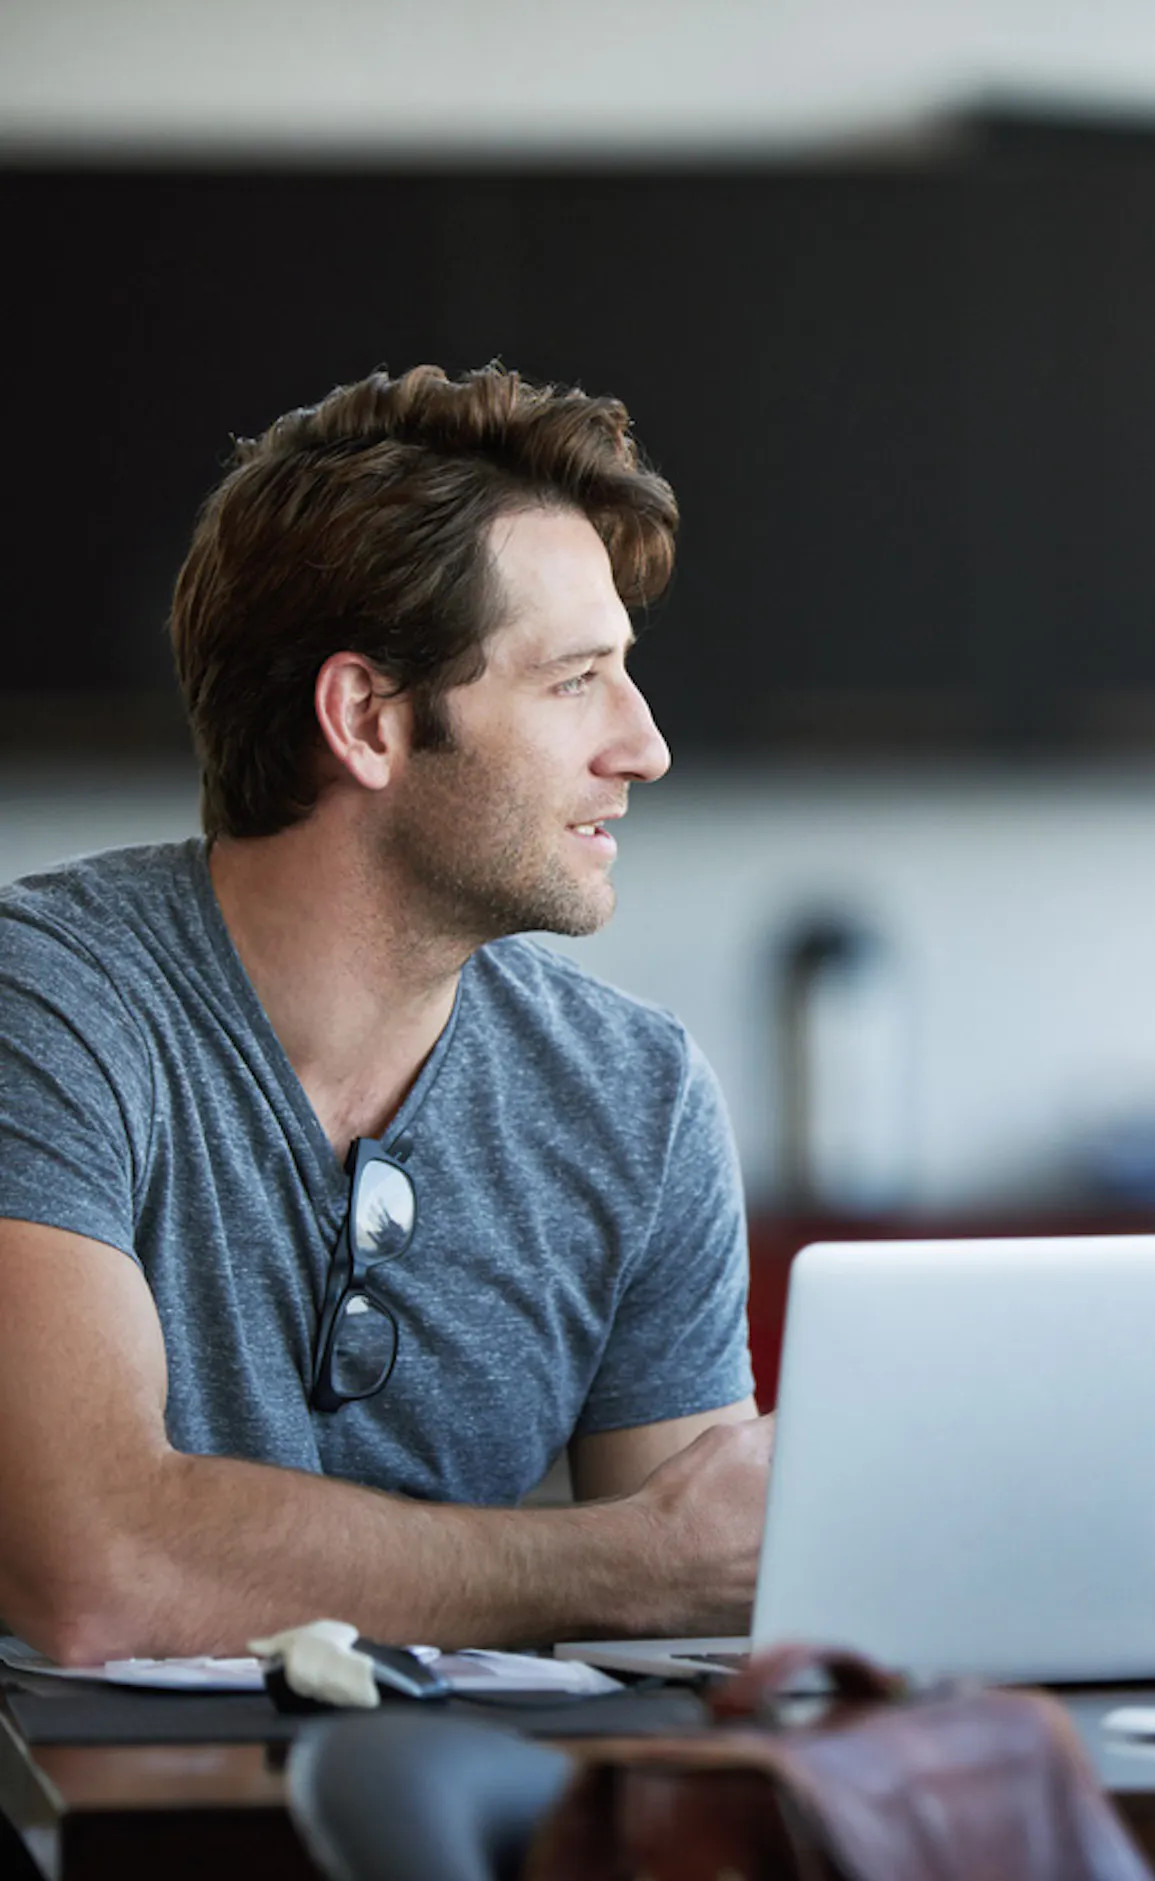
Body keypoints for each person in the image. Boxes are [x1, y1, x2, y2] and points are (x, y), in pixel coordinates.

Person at [0, 365, 768, 1665]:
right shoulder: (48, 1011)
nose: (644, 745)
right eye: (577, 679)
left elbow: (711, 1587)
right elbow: (98, 1568)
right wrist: (619, 1564)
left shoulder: (637, 1097)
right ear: (366, 718)